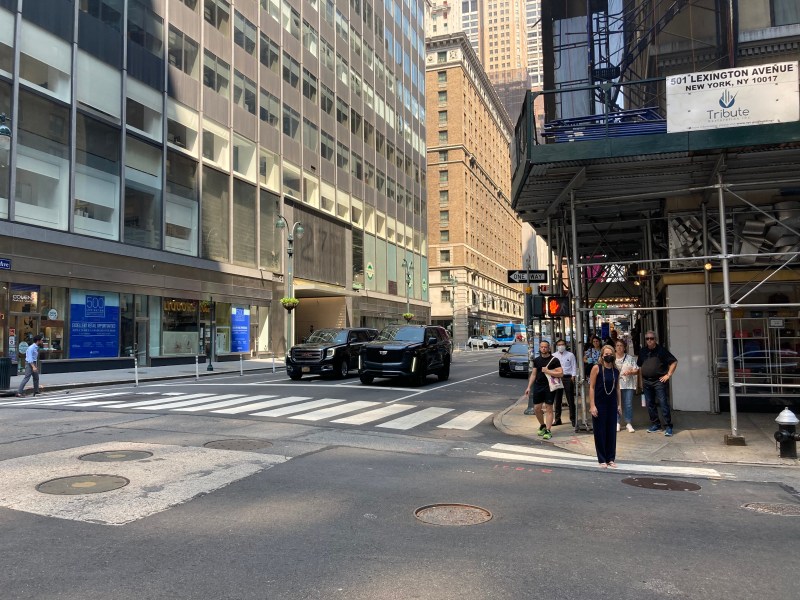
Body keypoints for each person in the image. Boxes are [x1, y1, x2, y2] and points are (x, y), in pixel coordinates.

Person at [636, 330, 678, 436]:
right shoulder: (642, 351)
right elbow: (639, 367)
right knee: (650, 404)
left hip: (658, 381)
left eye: (651, 338)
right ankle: (656, 424)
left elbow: (674, 362)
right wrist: (640, 383)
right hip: (646, 381)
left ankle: (668, 426)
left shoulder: (661, 351)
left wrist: (668, 375)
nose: (649, 340)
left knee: (663, 403)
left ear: (655, 339)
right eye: (647, 339)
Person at [589, 344, 622, 468]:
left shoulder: (615, 371)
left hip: (612, 403)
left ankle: (610, 458)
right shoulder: (596, 368)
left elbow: (618, 388)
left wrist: (619, 405)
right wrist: (592, 405)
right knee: (600, 431)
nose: (608, 356)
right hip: (600, 403)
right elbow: (591, 387)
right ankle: (602, 459)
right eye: (606, 354)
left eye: (610, 354)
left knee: (611, 431)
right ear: (602, 356)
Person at [524, 340, 563, 440]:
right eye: (542, 347)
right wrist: (528, 387)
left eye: (545, 347)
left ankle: (548, 430)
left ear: (549, 348)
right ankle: (542, 425)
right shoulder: (537, 360)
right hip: (538, 386)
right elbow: (533, 374)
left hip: (549, 387)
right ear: (540, 348)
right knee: (537, 408)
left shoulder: (554, 360)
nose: (544, 349)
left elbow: (561, 373)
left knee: (549, 408)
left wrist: (548, 371)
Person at [614, 339, 639, 432]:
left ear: (624, 348)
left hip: (628, 384)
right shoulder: (612, 358)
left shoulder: (630, 358)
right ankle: (617, 422)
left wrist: (631, 372)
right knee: (616, 404)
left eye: (621, 345)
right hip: (616, 385)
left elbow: (636, 370)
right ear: (615, 348)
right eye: (617, 345)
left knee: (628, 404)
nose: (619, 347)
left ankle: (628, 423)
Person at [552, 338, 577, 427]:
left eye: (562, 345)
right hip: (557, 378)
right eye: (559, 345)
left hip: (567, 378)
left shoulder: (570, 355)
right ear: (557, 346)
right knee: (557, 400)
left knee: (570, 399)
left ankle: (573, 419)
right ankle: (557, 419)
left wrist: (573, 377)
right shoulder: (554, 356)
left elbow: (574, 366)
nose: (561, 346)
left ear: (565, 346)